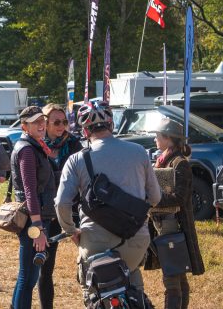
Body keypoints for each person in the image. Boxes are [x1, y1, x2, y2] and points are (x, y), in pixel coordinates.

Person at [55, 100, 161, 304]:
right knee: (132, 277)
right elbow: (155, 198)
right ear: (111, 125)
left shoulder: (76, 160)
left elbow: (61, 203)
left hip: (95, 241)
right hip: (136, 238)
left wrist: (71, 231)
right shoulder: (139, 151)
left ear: (85, 132)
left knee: (94, 291)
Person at [145, 118, 205, 309]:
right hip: (163, 224)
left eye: (157, 136)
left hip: (173, 226)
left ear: (168, 138)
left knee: (171, 280)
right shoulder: (164, 160)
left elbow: (180, 197)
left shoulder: (180, 163)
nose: (155, 139)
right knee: (178, 278)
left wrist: (153, 200)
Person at [10, 106, 56, 309]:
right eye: (36, 121)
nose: (41, 124)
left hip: (36, 218)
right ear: (24, 126)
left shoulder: (35, 146)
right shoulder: (27, 150)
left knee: (27, 276)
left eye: (42, 120)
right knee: (27, 277)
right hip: (32, 220)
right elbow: (30, 191)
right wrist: (38, 227)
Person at [38, 103, 82, 309]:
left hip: (73, 210)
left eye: (64, 122)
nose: (61, 126)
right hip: (47, 212)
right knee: (45, 268)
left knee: (89, 259)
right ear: (44, 123)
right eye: (56, 122)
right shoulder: (37, 145)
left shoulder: (74, 144)